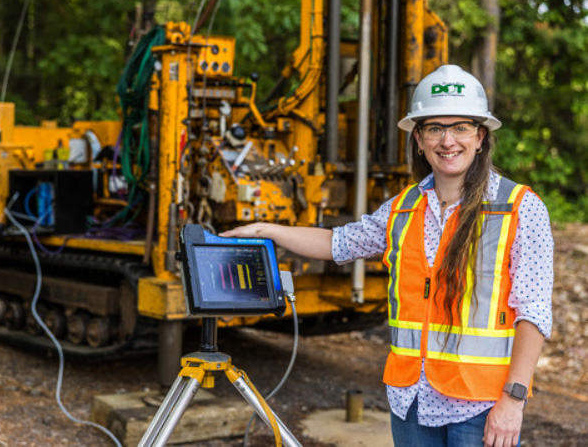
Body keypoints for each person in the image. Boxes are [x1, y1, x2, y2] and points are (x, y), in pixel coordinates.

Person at [221, 65, 553, 447]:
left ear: (480, 137)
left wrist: (513, 401)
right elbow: (337, 243)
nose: (448, 141)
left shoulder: (519, 208)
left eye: (461, 127)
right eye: (435, 128)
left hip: (480, 406)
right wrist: (267, 230)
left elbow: (534, 312)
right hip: (411, 401)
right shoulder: (403, 208)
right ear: (418, 138)